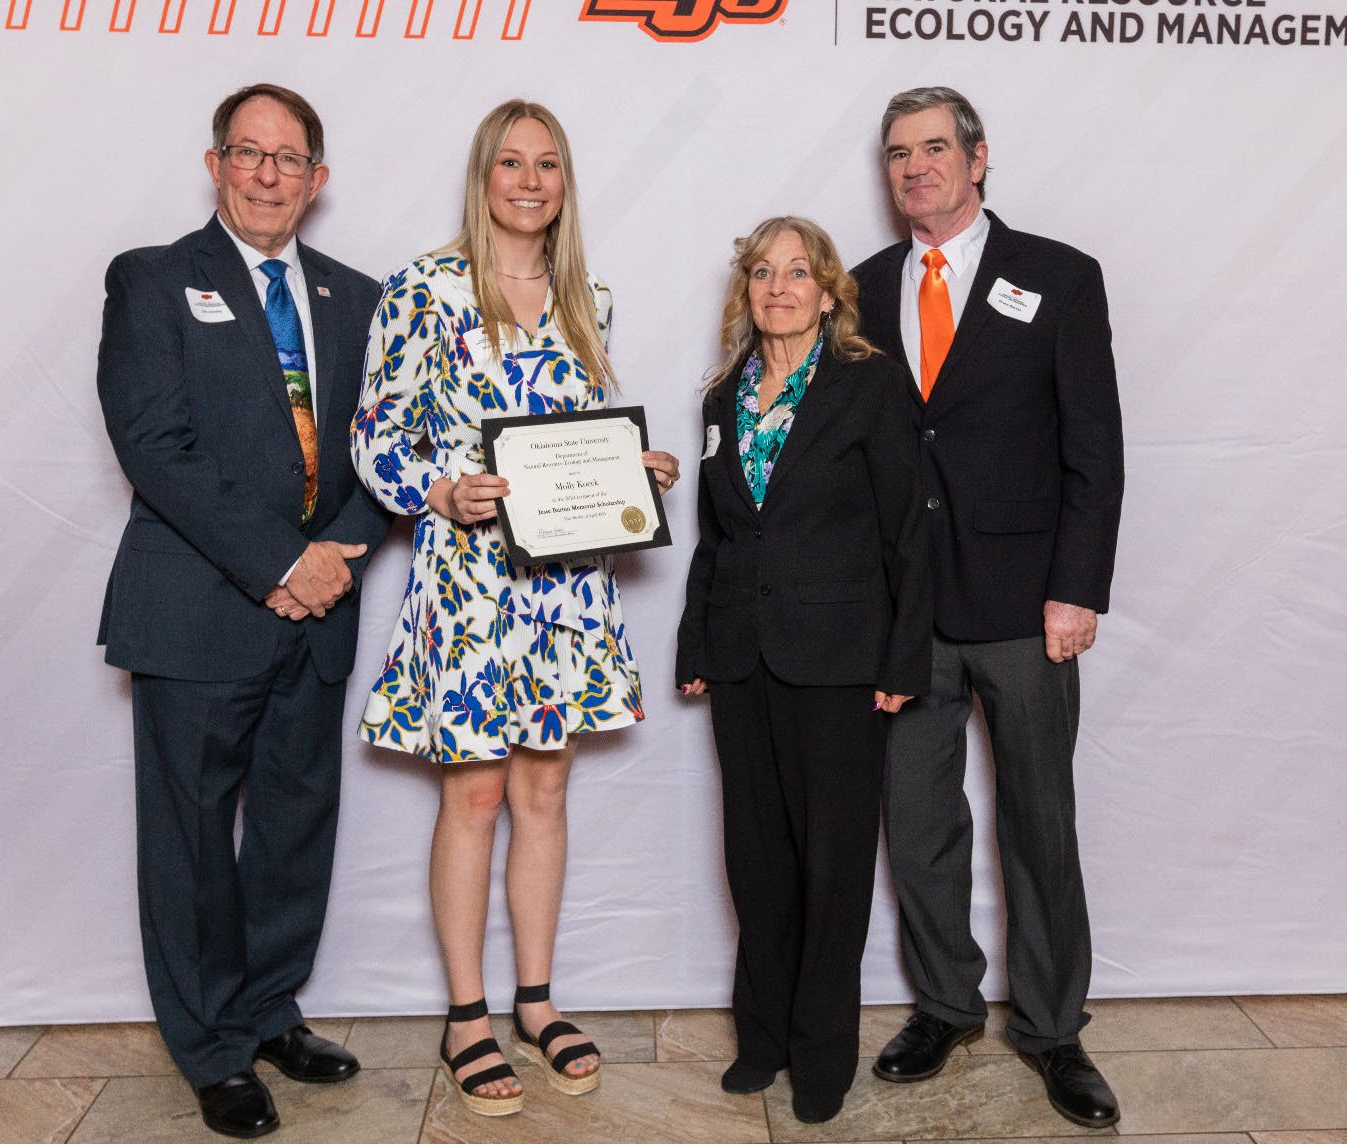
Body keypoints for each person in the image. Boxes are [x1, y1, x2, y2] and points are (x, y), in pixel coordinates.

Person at [351, 99, 679, 1117]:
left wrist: (640, 467)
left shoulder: (591, 298)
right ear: (483, 175)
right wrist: (437, 492)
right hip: (469, 583)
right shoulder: (426, 287)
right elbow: (375, 435)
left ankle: (537, 1001)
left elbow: (577, 445)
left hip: (568, 586)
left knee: (544, 796)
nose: (529, 180)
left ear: (563, 183)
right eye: (511, 162)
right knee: (478, 797)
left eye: (547, 165)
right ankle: (467, 1016)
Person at [96, 84, 386, 1139]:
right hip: (199, 611)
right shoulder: (153, 281)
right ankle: (211, 1046)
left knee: (292, 833)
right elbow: (153, 446)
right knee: (190, 845)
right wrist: (280, 563)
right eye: (247, 152)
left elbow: (384, 451)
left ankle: (269, 1010)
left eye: (288, 157)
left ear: (319, 176)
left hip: (317, 615)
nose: (268, 173)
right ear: (216, 164)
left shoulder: (362, 296)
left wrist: (333, 556)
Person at [850, 86, 1125, 1127]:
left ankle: (1054, 1029)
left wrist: (1076, 588)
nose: (914, 166)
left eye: (933, 148)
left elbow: (1094, 449)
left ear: (977, 157)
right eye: (897, 153)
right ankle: (945, 1004)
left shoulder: (1057, 276)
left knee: (1040, 825)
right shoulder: (864, 288)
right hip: (906, 610)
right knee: (917, 823)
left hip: (1024, 604)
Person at [675, 217, 931, 1125]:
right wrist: (696, 644)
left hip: (839, 662)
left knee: (832, 867)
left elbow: (909, 527)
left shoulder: (868, 383)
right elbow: (718, 535)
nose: (777, 287)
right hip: (741, 658)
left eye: (796, 272)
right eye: (760, 272)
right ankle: (764, 1038)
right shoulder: (721, 399)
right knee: (756, 861)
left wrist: (905, 655)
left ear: (828, 291)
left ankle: (822, 1051)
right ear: (744, 290)